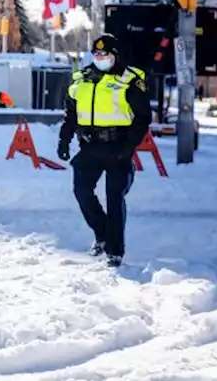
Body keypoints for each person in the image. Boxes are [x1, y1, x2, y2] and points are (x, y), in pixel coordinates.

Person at [56, 33, 151, 267]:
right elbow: (71, 114)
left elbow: (143, 118)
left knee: (114, 197)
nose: (99, 58)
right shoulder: (82, 79)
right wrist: (64, 140)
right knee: (81, 190)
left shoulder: (129, 79)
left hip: (118, 146)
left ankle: (115, 251)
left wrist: (128, 147)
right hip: (90, 146)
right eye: (96, 54)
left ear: (115, 56)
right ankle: (102, 234)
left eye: (104, 54)